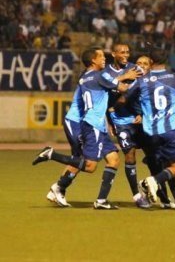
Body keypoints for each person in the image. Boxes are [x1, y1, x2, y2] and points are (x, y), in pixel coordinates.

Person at [33, 47, 141, 210]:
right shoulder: (98, 76)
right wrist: (135, 77)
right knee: (87, 163)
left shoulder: (88, 76)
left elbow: (108, 82)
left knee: (113, 159)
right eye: (101, 56)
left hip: (93, 123)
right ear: (93, 60)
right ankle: (56, 174)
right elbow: (120, 87)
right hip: (80, 122)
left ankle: (100, 200)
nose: (104, 59)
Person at [124, 48, 175, 211]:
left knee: (168, 165)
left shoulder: (141, 81)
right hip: (170, 128)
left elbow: (127, 98)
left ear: (150, 62)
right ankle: (152, 182)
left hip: (150, 132)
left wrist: (141, 112)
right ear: (166, 60)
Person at [104, 43, 150, 208]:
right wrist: (109, 120)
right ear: (113, 54)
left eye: (128, 52)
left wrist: (142, 113)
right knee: (130, 155)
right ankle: (137, 196)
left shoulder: (135, 69)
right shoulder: (106, 72)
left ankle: (159, 190)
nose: (125, 55)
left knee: (153, 155)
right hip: (119, 121)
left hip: (138, 120)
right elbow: (104, 98)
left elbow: (144, 93)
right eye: (122, 52)